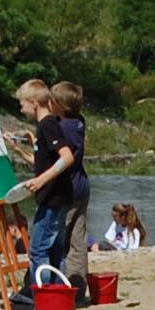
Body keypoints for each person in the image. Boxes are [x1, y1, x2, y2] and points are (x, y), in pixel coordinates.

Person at [15, 77, 86, 284]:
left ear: (34, 103)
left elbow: (67, 157)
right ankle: (58, 294)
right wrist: (17, 148)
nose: (21, 109)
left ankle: (44, 297)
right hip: (59, 196)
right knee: (55, 252)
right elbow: (44, 161)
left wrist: (40, 181)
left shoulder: (48, 125)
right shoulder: (49, 125)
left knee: (38, 251)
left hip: (53, 198)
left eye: (22, 104)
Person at [51, 81, 92, 286]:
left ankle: (58, 284)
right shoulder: (79, 122)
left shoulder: (61, 128)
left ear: (60, 105)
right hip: (81, 185)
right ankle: (78, 285)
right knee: (78, 240)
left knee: (59, 238)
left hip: (67, 188)